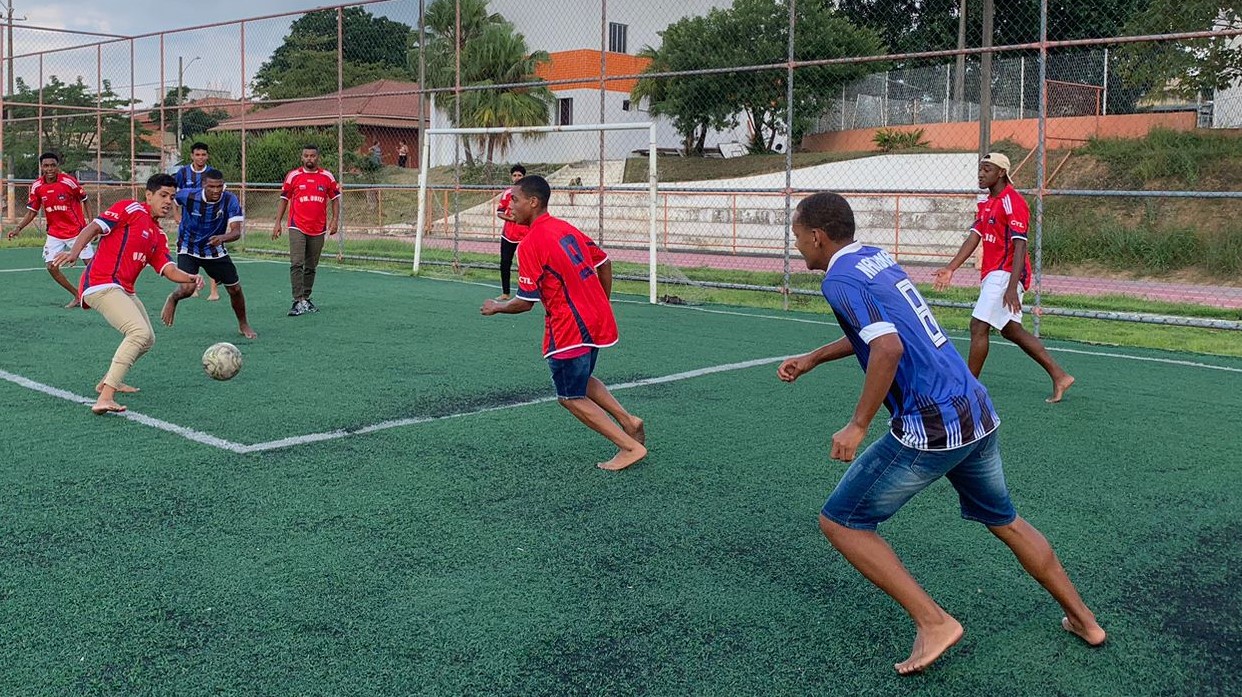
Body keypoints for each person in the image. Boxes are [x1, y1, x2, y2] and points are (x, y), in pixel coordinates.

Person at [778, 192, 1104, 675]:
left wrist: (857, 425)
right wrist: (813, 358)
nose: (797, 245)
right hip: (975, 409)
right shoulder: (873, 258)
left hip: (931, 425)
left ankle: (934, 622)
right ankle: (1084, 619)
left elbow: (886, 348)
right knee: (1006, 519)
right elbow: (882, 329)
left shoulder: (839, 280)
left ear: (818, 237)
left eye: (798, 236)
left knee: (840, 521)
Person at [481, 175, 646, 471]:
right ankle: (629, 421)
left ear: (533, 202)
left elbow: (525, 303)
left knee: (569, 396)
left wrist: (497, 307)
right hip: (598, 320)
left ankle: (629, 446)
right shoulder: (564, 227)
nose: (510, 205)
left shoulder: (530, 244)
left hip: (570, 326)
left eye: (515, 200)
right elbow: (604, 262)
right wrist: (601, 302)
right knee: (580, 379)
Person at [51, 173, 204, 415]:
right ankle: (105, 397)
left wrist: (191, 277)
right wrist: (74, 252)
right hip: (100, 283)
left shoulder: (158, 234)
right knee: (138, 332)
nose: (168, 201)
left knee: (148, 339)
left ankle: (108, 379)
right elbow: (93, 227)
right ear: (149, 195)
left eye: (172, 197)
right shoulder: (130, 208)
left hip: (123, 289)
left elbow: (168, 269)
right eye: (163, 195)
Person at [933, 152, 1074, 403]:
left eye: (987, 169)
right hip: (994, 274)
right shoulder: (986, 202)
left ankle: (969, 388)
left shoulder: (1013, 201)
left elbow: (1020, 246)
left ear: (1001, 173)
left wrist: (1012, 285)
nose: (980, 173)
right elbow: (974, 237)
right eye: (980, 169)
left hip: (1006, 273)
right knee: (1011, 330)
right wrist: (951, 268)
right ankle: (1060, 375)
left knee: (978, 326)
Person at [160, 168, 257, 339]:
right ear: (204, 184)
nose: (216, 190)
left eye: (219, 186)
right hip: (188, 247)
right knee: (188, 288)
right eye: (212, 186)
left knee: (235, 288)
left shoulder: (230, 200)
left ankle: (243, 324)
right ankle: (173, 298)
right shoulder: (189, 195)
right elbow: (173, 199)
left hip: (214, 250)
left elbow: (236, 233)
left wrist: (222, 237)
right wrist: (177, 215)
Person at [6, 152, 93, 308]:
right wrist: (18, 228)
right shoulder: (37, 186)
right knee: (51, 267)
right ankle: (77, 295)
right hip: (55, 233)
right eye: (46, 166)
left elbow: (85, 200)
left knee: (92, 265)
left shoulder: (68, 182)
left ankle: (106, 294)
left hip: (76, 231)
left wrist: (91, 225)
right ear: (41, 167)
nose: (50, 169)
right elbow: (32, 211)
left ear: (57, 166)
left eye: (53, 165)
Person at [272, 145, 341, 316]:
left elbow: (335, 199)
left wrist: (334, 220)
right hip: (297, 225)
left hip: (318, 227)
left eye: (312, 156)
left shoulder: (327, 176)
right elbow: (284, 199)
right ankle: (297, 300)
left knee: (311, 265)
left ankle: (306, 298)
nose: (309, 158)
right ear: (301, 158)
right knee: (297, 262)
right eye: (306, 156)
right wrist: (277, 222)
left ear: (318, 157)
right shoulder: (293, 176)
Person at [174, 142, 220, 301]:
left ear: (207, 156)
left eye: (204, 155)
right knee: (190, 254)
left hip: (209, 222)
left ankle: (214, 291)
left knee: (212, 255)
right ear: (192, 156)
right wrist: (176, 214)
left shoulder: (213, 173)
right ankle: (192, 288)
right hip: (189, 223)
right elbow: (175, 196)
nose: (201, 158)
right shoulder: (183, 173)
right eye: (197, 155)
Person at [495, 164, 529, 300]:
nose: (517, 178)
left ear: (524, 177)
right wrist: (511, 218)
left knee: (526, 264)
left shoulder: (529, 194)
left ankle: (528, 292)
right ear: (511, 177)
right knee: (505, 262)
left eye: (519, 175)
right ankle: (506, 292)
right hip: (508, 235)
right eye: (514, 175)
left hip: (525, 235)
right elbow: (499, 212)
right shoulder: (507, 193)